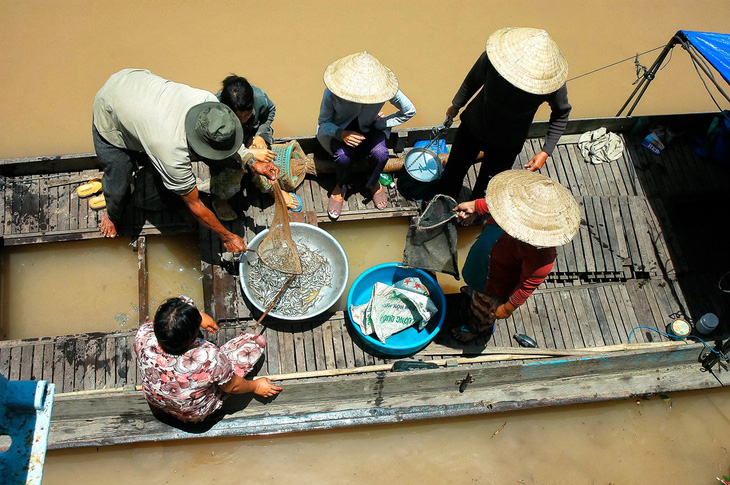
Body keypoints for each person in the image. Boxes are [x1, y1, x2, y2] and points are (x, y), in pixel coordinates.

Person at [92, 68, 280, 251]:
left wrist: (253, 162)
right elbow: (195, 204)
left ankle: (172, 200)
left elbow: (226, 138)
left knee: (160, 162)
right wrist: (228, 237)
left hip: (138, 83)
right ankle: (112, 214)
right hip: (111, 106)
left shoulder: (208, 102)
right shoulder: (172, 151)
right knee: (119, 177)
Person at [438, 27, 572, 201]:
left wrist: (545, 151)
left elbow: (561, 113)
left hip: (506, 143)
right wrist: (456, 105)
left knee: (488, 188)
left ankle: (475, 215)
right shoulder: (495, 59)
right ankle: (443, 204)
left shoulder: (549, 81)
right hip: (473, 126)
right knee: (452, 173)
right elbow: (473, 79)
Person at [451, 170, 580, 342]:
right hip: (483, 257)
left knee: (483, 312)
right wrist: (476, 206)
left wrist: (506, 309)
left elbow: (525, 288)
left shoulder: (542, 255)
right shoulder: (509, 207)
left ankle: (477, 329)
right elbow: (498, 203)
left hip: (495, 284)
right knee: (474, 287)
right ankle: (474, 293)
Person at [134, 296, 282, 423]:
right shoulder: (209, 356)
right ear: (192, 335)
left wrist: (198, 316)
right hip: (193, 414)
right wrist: (255, 386)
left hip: (157, 400)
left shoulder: (143, 334)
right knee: (255, 342)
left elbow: (155, 321)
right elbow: (232, 386)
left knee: (185, 300)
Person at [316, 51, 416, 220]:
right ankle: (341, 186)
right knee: (342, 157)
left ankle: (373, 183)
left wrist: (380, 123)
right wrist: (342, 134)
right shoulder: (332, 93)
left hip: (369, 129)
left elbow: (409, 110)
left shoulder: (384, 90)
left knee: (381, 154)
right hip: (339, 131)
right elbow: (323, 122)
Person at [217, 74, 302, 214]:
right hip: (227, 148)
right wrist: (248, 153)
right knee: (233, 171)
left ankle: (271, 189)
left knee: (266, 162)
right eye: (238, 117)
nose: (243, 120)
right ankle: (220, 198)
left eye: (247, 114)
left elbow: (270, 111)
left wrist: (260, 136)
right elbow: (217, 147)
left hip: (250, 136)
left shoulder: (259, 98)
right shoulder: (214, 111)